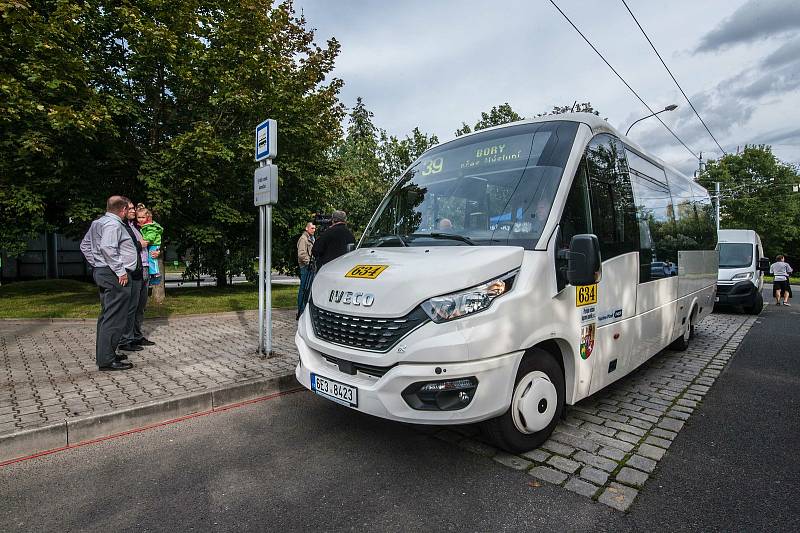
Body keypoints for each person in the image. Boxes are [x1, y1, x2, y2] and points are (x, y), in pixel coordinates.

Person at [79, 196, 137, 371]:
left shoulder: (98, 222)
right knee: (115, 317)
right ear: (123, 210)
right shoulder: (113, 225)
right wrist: (120, 271)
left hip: (105, 271)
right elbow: (107, 247)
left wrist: (97, 263)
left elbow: (85, 245)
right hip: (115, 275)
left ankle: (107, 353)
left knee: (107, 315)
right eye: (128, 209)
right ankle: (106, 360)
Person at [137, 204, 163, 285]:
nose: (141, 219)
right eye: (139, 217)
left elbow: (151, 236)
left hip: (154, 244)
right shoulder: (144, 225)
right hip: (152, 245)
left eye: (143, 217)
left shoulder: (150, 226)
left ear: (147, 218)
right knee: (151, 258)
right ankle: (154, 274)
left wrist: (145, 240)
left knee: (152, 258)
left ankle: (156, 274)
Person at [296, 221, 316, 319]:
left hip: (311, 267)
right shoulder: (303, 239)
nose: (314, 230)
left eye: (314, 228)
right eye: (312, 228)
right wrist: (309, 262)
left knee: (308, 289)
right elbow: (301, 254)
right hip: (305, 267)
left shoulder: (311, 238)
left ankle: (305, 311)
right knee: (303, 289)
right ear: (307, 228)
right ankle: (301, 311)